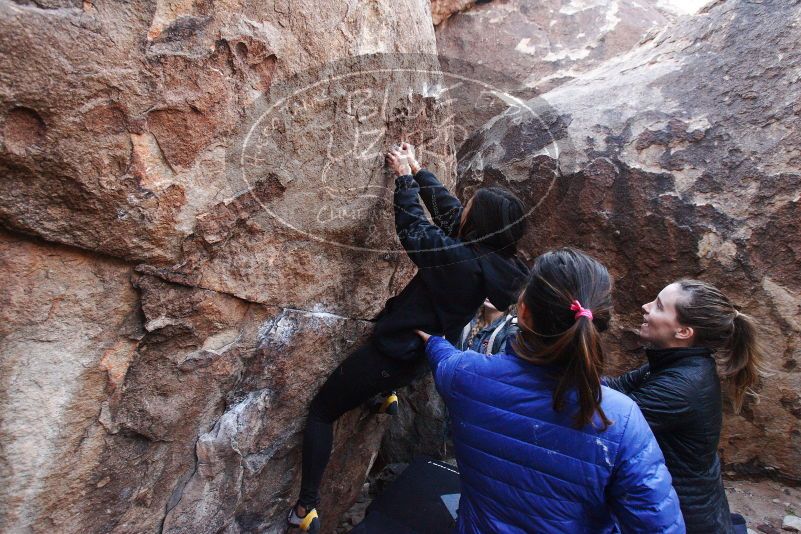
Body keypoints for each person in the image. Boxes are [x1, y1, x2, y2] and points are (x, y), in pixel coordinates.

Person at [287, 144, 530, 533]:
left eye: (472, 207)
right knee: (391, 373)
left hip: (395, 355)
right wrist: (419, 171)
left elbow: (415, 230)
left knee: (321, 412)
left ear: (480, 224)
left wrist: (402, 180)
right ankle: (385, 397)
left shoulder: (461, 261)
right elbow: (453, 215)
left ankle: (306, 509)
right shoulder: (500, 261)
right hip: (422, 355)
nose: (462, 207)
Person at [416, 248, 685, 533]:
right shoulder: (619, 418)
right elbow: (657, 525)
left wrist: (431, 340)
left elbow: (445, 358)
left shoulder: (465, 377)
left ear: (524, 310)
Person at [605, 280, 763, 534]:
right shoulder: (678, 364)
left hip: (680, 518)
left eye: (658, 306)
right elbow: (614, 387)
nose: (645, 307)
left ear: (683, 332)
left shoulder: (682, 386)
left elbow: (604, 415)